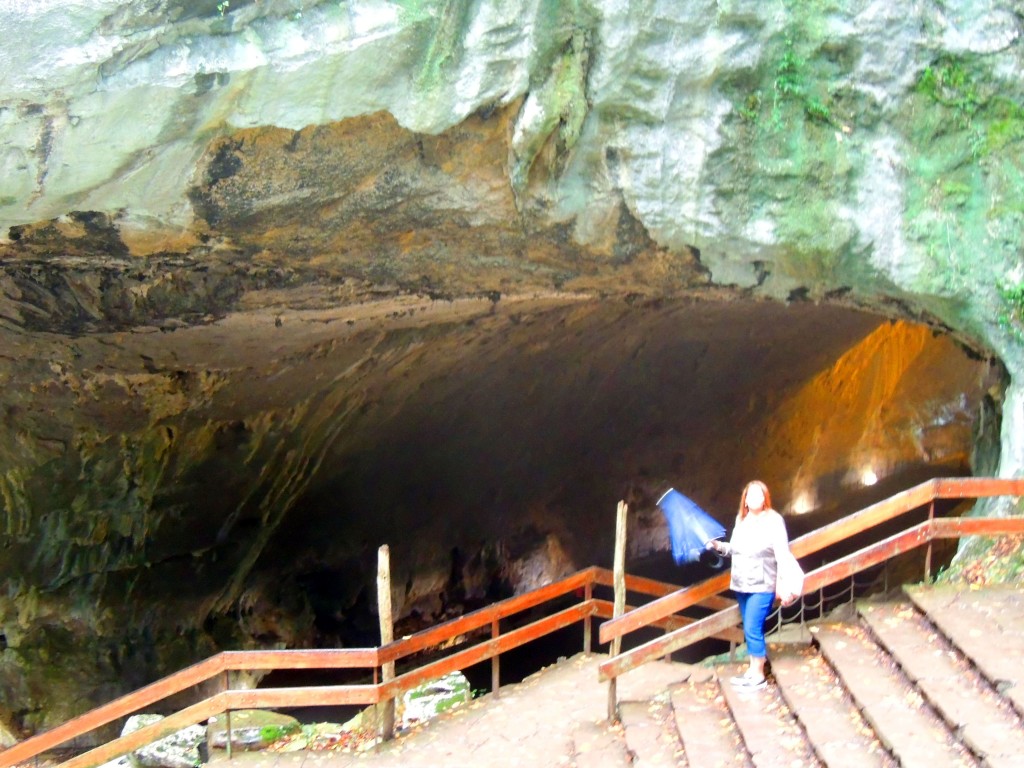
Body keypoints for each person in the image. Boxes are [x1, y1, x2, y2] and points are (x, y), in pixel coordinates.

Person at [706, 480, 802, 691]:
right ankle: (752, 670)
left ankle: (758, 675)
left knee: (752, 627)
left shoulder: (774, 521)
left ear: (765, 498)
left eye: (759, 495)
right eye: (750, 495)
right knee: (749, 628)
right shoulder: (742, 520)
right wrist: (716, 545)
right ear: (745, 500)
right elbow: (734, 548)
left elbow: (782, 554)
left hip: (762, 584)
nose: (754, 498)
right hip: (741, 585)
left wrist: (781, 584)